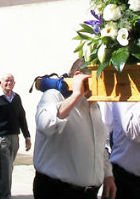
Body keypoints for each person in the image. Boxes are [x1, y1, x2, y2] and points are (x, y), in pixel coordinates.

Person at [33, 61, 115, 199]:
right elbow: (45, 125)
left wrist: (108, 175)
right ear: (78, 77)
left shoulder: (95, 106)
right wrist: (76, 95)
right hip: (58, 191)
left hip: (89, 193)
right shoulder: (54, 95)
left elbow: (98, 146)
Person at [0, 73, 31, 199]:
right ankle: (5, 195)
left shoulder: (16, 98)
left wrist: (27, 136)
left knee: (8, 168)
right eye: (6, 81)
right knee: (5, 169)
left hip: (14, 138)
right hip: (2, 139)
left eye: (11, 81)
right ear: (0, 83)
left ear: (14, 83)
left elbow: (22, 117)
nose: (8, 83)